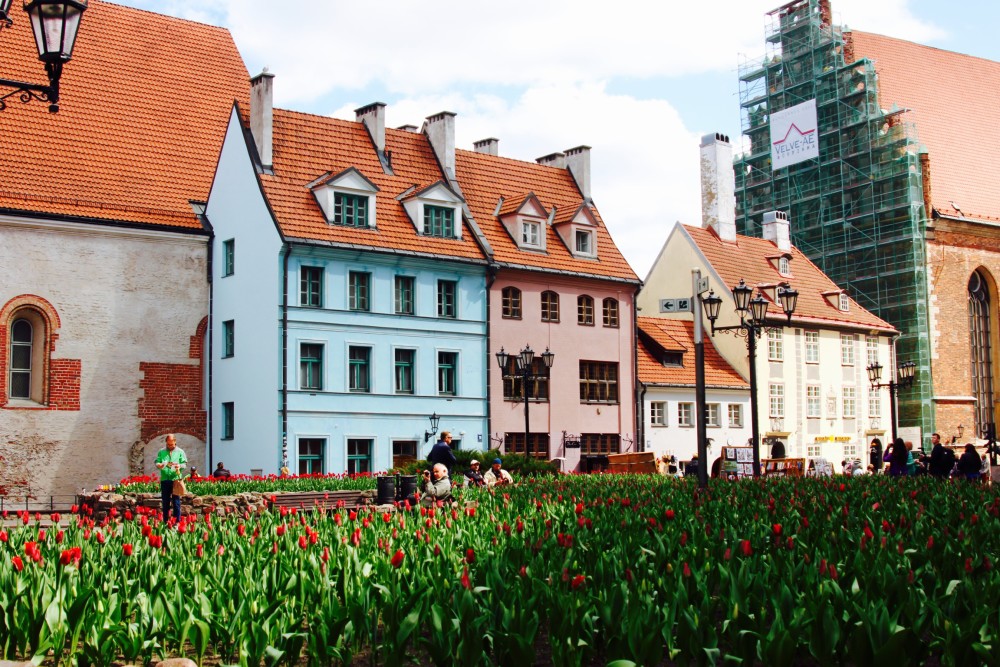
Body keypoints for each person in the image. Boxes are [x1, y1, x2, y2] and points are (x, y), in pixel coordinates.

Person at [154, 434, 186, 522]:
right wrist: (159, 465)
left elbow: (184, 464)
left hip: (176, 479)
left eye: (171, 444)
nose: (170, 446)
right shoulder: (161, 451)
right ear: (166, 442)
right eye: (168, 444)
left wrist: (179, 466)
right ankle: (165, 521)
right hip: (165, 479)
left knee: (176, 502)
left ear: (175, 442)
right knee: (165, 502)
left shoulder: (180, 452)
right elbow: (157, 461)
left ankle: (177, 521)